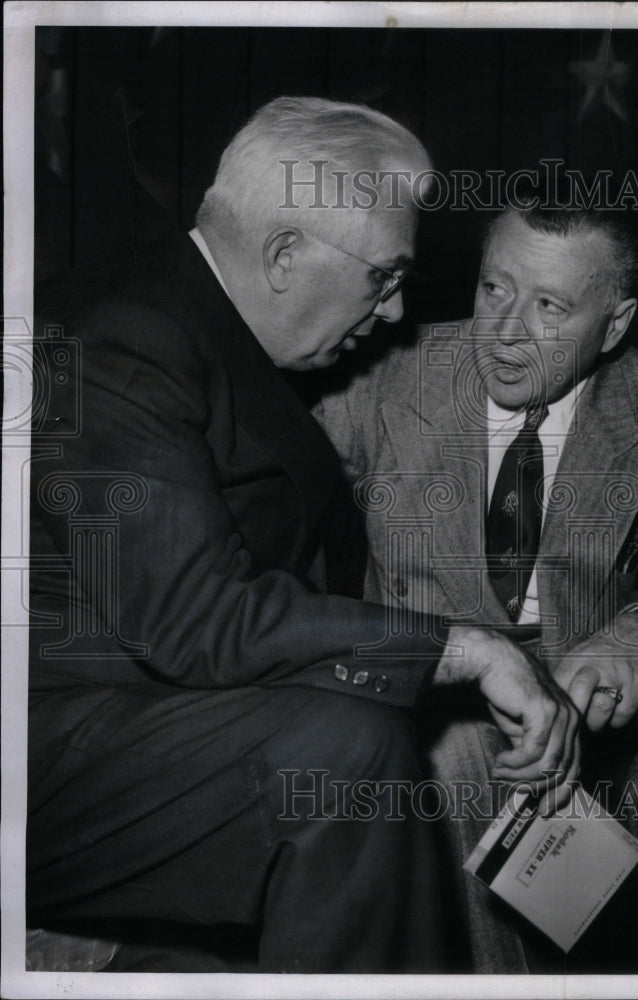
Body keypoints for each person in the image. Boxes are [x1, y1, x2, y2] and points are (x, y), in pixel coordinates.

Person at [26, 99, 592, 973]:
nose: (399, 312)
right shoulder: (118, 341)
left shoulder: (207, 330)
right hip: (43, 752)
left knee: (361, 735)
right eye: (383, 278)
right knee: (345, 753)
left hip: (138, 717)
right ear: (285, 255)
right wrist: (466, 650)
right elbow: (199, 622)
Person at [317, 204, 638, 973]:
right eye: (494, 289)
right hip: (437, 677)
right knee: (455, 744)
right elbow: (270, 522)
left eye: (550, 306)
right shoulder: (375, 381)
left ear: (614, 322)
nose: (504, 331)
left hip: (587, 691)